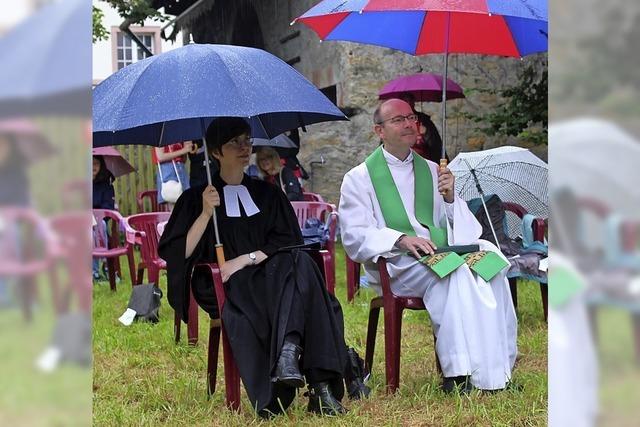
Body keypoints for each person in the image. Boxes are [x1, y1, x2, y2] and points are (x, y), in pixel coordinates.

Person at [158, 117, 354, 418]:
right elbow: (178, 253)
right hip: (227, 285)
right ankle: (320, 384)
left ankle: (291, 352)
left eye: (247, 140)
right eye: (234, 142)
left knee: (300, 262)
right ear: (215, 153)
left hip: (272, 276)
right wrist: (204, 213)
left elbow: (290, 242)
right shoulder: (194, 199)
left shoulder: (269, 194)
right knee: (310, 290)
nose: (244, 147)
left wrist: (246, 259)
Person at [339, 99, 517, 393]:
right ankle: (458, 375)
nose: (409, 124)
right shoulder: (360, 178)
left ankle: (498, 370)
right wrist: (400, 239)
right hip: (396, 263)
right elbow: (355, 234)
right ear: (379, 130)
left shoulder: (434, 170)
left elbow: (459, 229)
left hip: (438, 252)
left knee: (492, 264)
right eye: (398, 120)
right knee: (457, 272)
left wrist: (449, 199)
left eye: (411, 117)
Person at [92, 155, 115, 281]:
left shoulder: (106, 184)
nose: (93, 167)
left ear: (101, 166)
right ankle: (93, 272)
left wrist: (95, 219)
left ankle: (106, 267)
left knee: (101, 226)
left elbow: (108, 207)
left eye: (96, 163)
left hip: (100, 220)